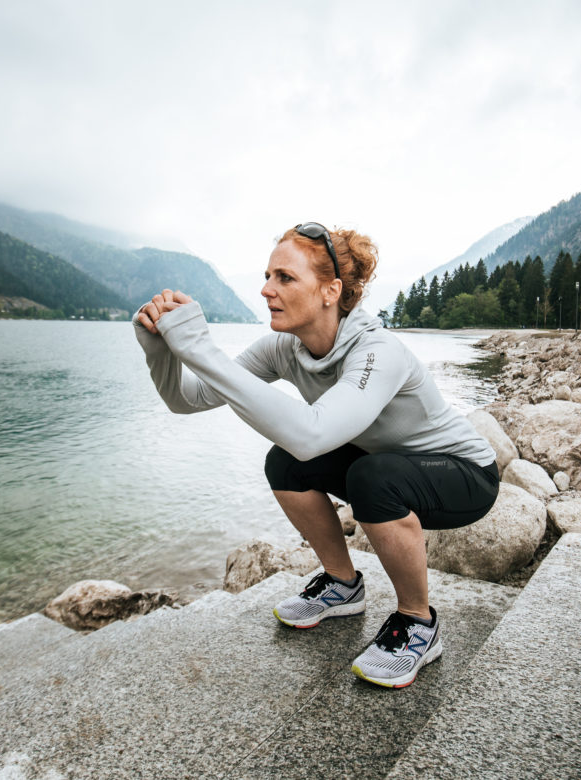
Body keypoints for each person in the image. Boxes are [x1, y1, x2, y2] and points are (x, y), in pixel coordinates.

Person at [133, 222, 498, 688]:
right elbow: (190, 399)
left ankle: (417, 623)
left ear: (331, 291)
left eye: (284, 278)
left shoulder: (377, 350)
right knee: (286, 462)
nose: (266, 290)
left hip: (466, 476)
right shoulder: (284, 348)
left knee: (371, 476)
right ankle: (342, 585)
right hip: (385, 466)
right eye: (267, 276)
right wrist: (162, 351)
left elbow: (312, 433)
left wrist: (201, 348)